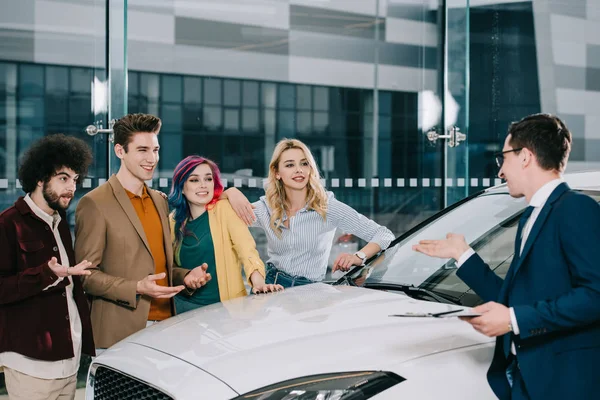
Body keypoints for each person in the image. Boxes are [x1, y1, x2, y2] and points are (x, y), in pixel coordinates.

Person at [413, 113, 600, 400]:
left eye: (504, 158)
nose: (500, 171)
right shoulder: (530, 218)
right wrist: (462, 254)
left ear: (525, 156)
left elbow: (595, 296)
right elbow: (514, 299)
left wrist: (514, 319)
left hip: (563, 384)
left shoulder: (576, 209)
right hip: (525, 380)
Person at [74, 113, 187, 351]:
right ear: (119, 151)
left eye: (155, 150)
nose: (152, 158)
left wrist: (186, 276)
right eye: (142, 150)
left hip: (167, 328)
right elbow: (86, 276)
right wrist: (135, 287)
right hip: (119, 334)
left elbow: (155, 266)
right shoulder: (94, 203)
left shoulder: (159, 200)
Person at [0, 134, 95, 400]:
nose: (71, 187)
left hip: (69, 360)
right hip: (31, 363)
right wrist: (46, 275)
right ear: (40, 178)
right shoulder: (8, 224)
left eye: (75, 179)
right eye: (63, 178)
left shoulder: (61, 223)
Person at [226, 138, 394, 288]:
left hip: (310, 291)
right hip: (271, 286)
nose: (298, 170)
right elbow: (214, 208)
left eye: (304, 163)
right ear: (277, 173)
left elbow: (384, 235)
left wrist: (359, 256)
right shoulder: (266, 208)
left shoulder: (327, 207)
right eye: (290, 165)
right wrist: (229, 192)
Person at [168, 155, 282, 314]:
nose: (203, 185)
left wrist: (259, 284)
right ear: (181, 187)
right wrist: (187, 276)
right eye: (194, 180)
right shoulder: (173, 221)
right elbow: (168, 267)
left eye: (208, 179)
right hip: (182, 310)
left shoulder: (225, 210)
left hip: (225, 312)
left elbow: (247, 252)